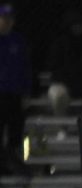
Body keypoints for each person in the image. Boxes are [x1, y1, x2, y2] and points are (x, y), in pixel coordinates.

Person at [0, 5, 30, 177]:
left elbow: (26, 68)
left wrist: (26, 92)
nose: (7, 22)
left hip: (14, 95)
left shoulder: (18, 41)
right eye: (4, 18)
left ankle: (14, 165)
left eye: (10, 18)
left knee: (16, 133)